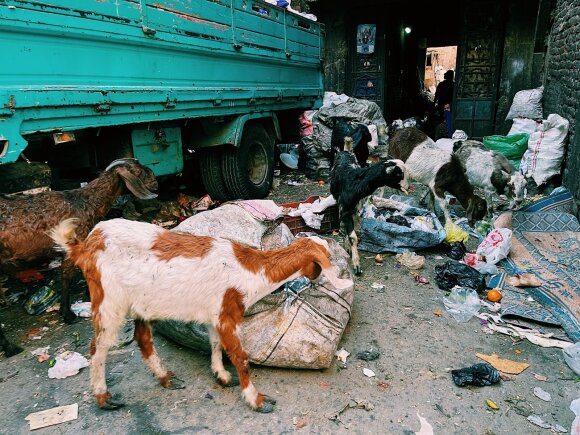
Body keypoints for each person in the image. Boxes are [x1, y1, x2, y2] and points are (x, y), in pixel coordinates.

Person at [434, 70, 455, 137]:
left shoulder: (442, 84)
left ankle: (443, 134)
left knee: (443, 119)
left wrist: (434, 103)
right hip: (447, 104)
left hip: (444, 104)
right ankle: (447, 134)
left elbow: (436, 94)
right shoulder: (454, 85)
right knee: (447, 119)